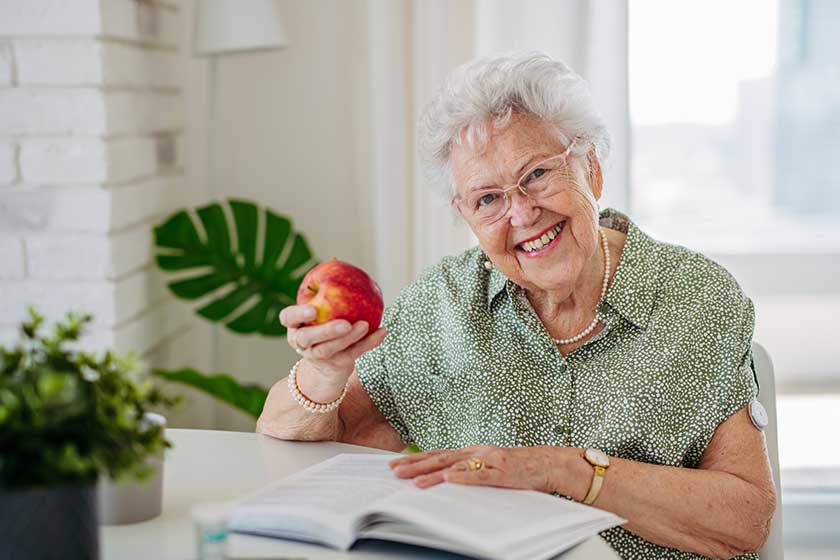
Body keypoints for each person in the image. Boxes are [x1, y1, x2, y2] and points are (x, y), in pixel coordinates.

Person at [257, 52, 776, 559]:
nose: (523, 214)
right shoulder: (440, 307)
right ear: (464, 214)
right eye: (488, 199)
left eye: (537, 175)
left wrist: (566, 471)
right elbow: (314, 445)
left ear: (591, 169)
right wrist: (324, 373)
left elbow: (745, 520)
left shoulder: (694, 296)